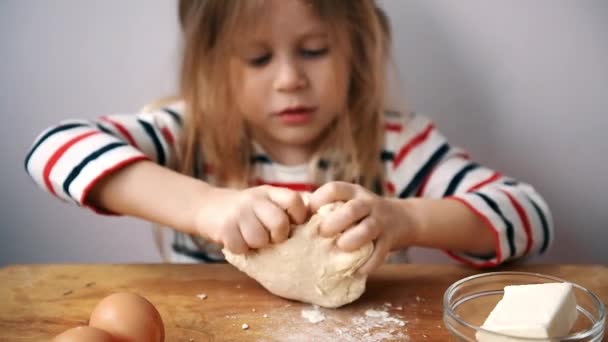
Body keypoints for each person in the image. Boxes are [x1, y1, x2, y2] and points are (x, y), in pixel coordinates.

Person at [24, 0, 552, 273]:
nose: (289, 79)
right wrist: (206, 206)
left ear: (357, 51)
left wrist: (406, 219)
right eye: (257, 58)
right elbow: (53, 148)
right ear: (213, 66)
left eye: (315, 50)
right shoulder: (192, 134)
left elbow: (528, 215)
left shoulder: (393, 143)